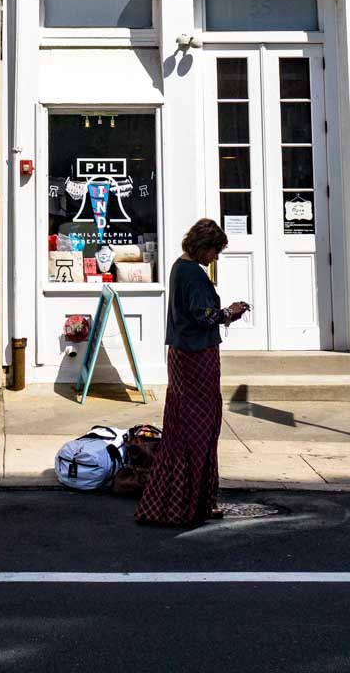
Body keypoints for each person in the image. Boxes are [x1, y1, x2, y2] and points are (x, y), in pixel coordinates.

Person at [135, 218, 249, 527]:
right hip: (198, 356)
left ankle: (175, 501)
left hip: (181, 355)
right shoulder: (194, 274)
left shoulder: (177, 267)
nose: (216, 258)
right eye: (215, 251)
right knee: (201, 426)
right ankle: (194, 503)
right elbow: (204, 316)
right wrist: (230, 313)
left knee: (180, 425)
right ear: (203, 246)